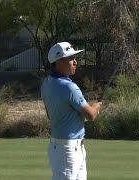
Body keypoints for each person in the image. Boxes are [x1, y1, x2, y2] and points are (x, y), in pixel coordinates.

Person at [41, 42, 102, 180]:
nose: (75, 62)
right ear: (59, 62)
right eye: (70, 58)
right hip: (68, 150)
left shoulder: (46, 83)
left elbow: (53, 114)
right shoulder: (69, 87)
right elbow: (91, 115)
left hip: (66, 148)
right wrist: (97, 105)